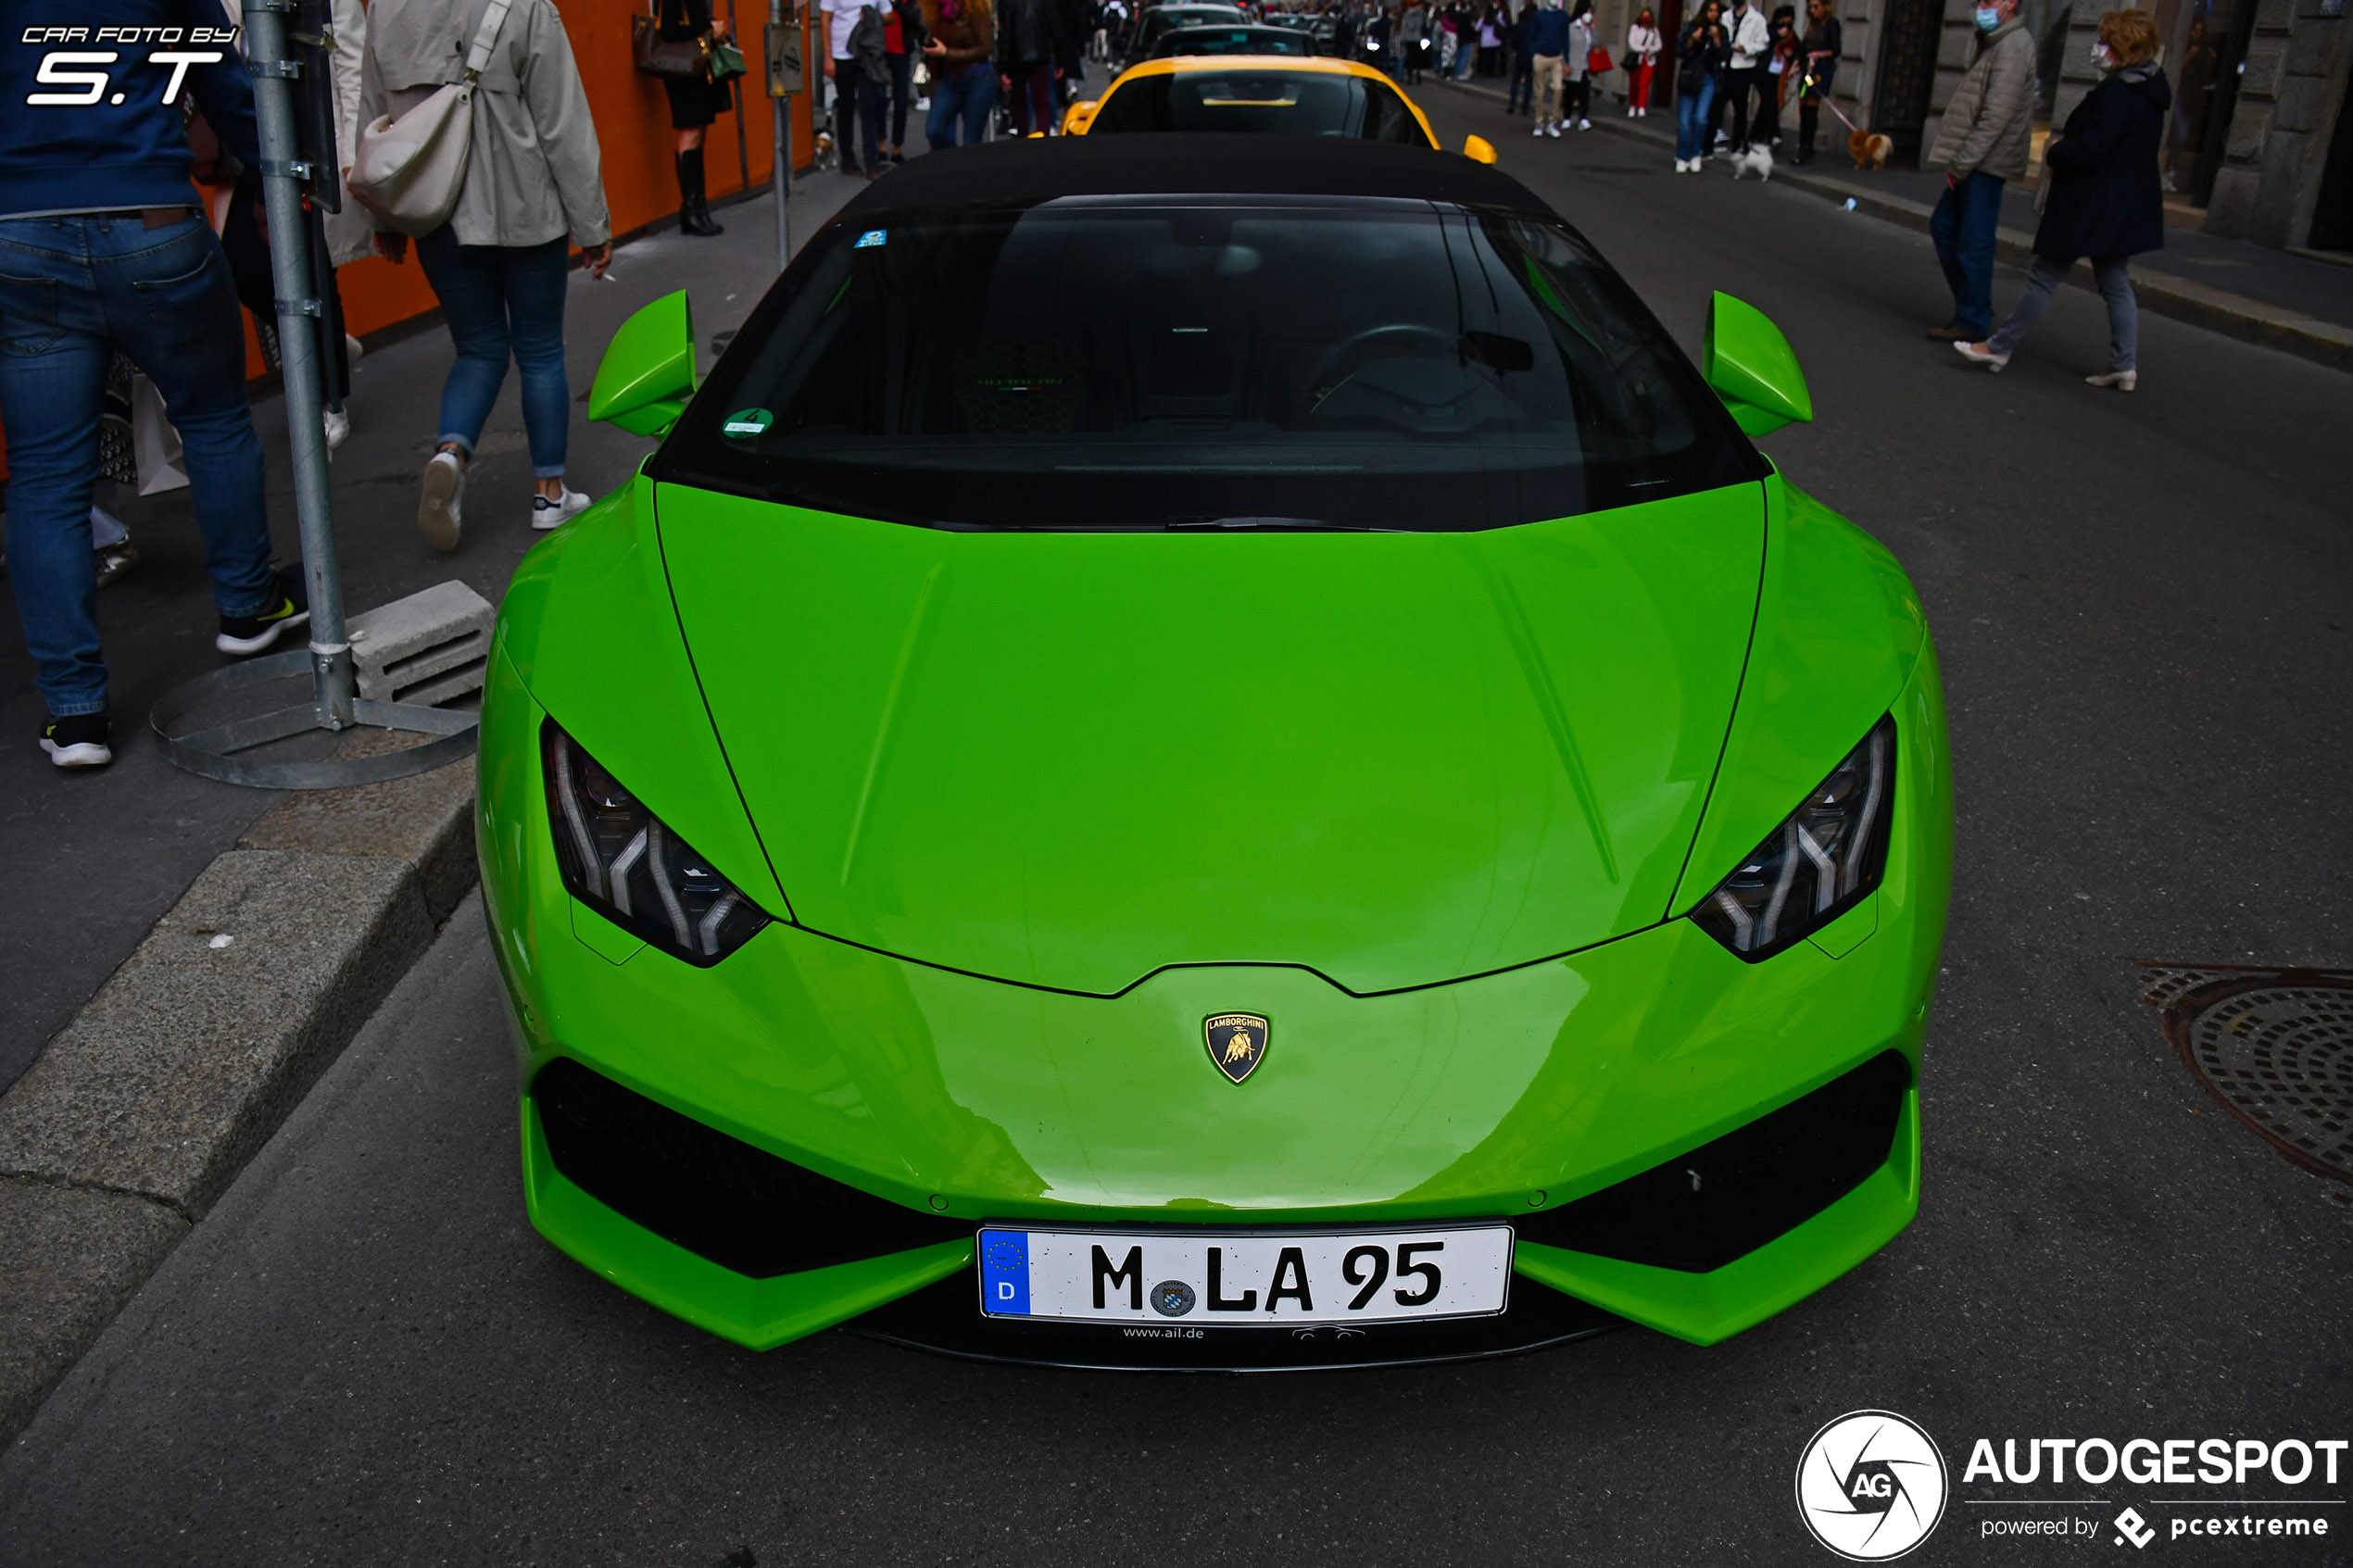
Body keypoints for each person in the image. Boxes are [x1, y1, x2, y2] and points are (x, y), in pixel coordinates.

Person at [0, 3, 310, 770]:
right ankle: (248, 606)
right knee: (211, 417)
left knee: (43, 478)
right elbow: (227, 85)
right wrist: (281, 185)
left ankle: (75, 715)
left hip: (22, 227)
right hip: (152, 217)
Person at [364, 0, 613, 551]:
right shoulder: (524, 6)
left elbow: (373, 119)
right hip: (525, 207)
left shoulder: (385, 9)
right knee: (541, 349)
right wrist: (592, 224)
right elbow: (562, 123)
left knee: (477, 348)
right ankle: (549, 494)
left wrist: (384, 216)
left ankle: (451, 453)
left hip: (436, 211)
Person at [1956, 8, 2168, 389]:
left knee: (2045, 277)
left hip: (2089, 204)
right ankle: (2124, 362)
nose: (2099, 49)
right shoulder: (2149, 93)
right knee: (2116, 282)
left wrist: (2056, 151)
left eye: (2106, 42)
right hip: (2120, 206)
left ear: (2122, 48)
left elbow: (2091, 149)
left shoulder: (2118, 94)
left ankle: (1999, 346)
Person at [1922, 0, 2034, 343]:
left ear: (2010, 3)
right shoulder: (1996, 42)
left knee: (1973, 239)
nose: (1981, 7)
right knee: (1946, 227)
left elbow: (1995, 115)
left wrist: (1963, 162)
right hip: (1976, 159)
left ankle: (1973, 318)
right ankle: (1975, 306)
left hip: (1985, 161)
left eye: (1988, 1)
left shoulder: (2013, 47)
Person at [656, 0, 734, 235]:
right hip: (683, 69)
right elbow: (668, 29)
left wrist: (709, 26)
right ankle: (691, 209)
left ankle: (697, 207)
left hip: (696, 67)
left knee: (699, 134)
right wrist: (707, 29)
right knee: (689, 134)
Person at [922, 0, 998, 146]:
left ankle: (965, 163)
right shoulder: (935, 8)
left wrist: (947, 53)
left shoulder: (975, 7)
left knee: (972, 138)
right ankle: (955, 158)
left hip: (978, 76)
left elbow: (985, 48)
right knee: (934, 129)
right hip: (950, 76)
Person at [821, 0, 881, 173]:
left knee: (868, 106)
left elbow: (888, 14)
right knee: (845, 107)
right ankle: (847, 160)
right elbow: (825, 19)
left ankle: (872, 161)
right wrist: (828, 57)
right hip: (841, 54)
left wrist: (871, 15)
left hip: (867, 54)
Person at [999, 0, 1071, 135]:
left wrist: (1003, 67)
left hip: (1017, 55)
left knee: (1020, 104)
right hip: (1040, 53)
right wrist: (1059, 60)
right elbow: (1056, 30)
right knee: (1042, 102)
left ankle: (1023, 136)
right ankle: (1043, 137)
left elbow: (1005, 33)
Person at [1673, 0, 1726, 169]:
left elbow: (1724, 55)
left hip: (1709, 78)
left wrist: (1717, 39)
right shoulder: (1692, 27)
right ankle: (1682, 155)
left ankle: (1695, 153)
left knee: (1701, 119)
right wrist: (1691, 41)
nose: (1713, 14)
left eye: (1716, 11)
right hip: (1690, 77)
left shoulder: (1721, 31)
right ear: (1704, 11)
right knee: (1685, 122)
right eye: (1710, 10)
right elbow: (1680, 51)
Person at [1794, 0, 1841, 163]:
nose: (1813, 10)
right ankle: (1802, 144)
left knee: (1812, 105)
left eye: (1816, 6)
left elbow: (1836, 50)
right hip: (1808, 69)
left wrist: (1819, 54)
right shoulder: (1812, 25)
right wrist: (1795, 65)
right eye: (1810, 7)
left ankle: (1807, 147)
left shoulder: (1831, 24)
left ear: (1824, 6)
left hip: (1821, 70)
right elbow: (1803, 48)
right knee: (1803, 104)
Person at [1722, 0, 1770, 152]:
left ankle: (1738, 142)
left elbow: (1763, 44)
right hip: (1725, 65)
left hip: (1744, 67)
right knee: (1717, 103)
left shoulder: (1757, 19)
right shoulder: (1725, 16)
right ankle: (1709, 141)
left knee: (1740, 108)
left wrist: (1747, 48)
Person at [1528, 0, 1569, 136]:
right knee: (1539, 92)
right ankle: (1539, 122)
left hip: (1556, 57)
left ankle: (1552, 122)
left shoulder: (1563, 16)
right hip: (1541, 56)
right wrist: (1533, 53)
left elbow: (1565, 39)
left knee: (1558, 89)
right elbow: (1532, 35)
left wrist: (1567, 61)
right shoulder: (1539, 16)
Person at [1565, 1, 1596, 131]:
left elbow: (1597, 44)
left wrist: (1593, 30)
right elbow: (1566, 47)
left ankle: (1583, 118)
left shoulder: (1590, 30)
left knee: (1584, 94)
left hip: (1585, 66)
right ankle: (1567, 117)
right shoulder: (1572, 27)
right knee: (1570, 93)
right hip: (1573, 65)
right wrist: (1565, 64)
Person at [1625, 8, 1662, 116]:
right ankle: (1632, 105)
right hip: (1636, 60)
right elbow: (1632, 43)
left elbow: (1659, 45)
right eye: (1644, 16)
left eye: (1648, 16)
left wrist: (1651, 50)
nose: (1646, 19)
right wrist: (1644, 49)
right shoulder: (1635, 28)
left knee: (1644, 83)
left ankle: (1641, 107)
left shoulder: (1654, 31)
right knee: (1634, 83)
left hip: (1649, 61)